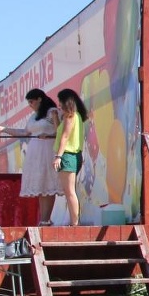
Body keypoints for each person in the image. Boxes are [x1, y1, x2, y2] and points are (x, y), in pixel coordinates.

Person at [0, 88, 61, 225]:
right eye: (29, 103)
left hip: (48, 150)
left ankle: (46, 219)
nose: (31, 105)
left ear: (40, 99)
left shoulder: (53, 112)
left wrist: (49, 136)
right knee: (40, 185)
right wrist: (4, 129)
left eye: (32, 102)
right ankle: (44, 219)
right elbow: (24, 132)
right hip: (35, 153)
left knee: (48, 183)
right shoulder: (34, 117)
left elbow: (60, 132)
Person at [54, 88, 88, 226]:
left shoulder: (70, 116)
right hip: (75, 155)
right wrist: (56, 118)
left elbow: (65, 136)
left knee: (69, 192)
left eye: (60, 102)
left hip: (68, 155)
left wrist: (58, 156)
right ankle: (73, 221)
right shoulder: (77, 116)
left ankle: (75, 223)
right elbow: (60, 132)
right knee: (70, 191)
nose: (59, 104)